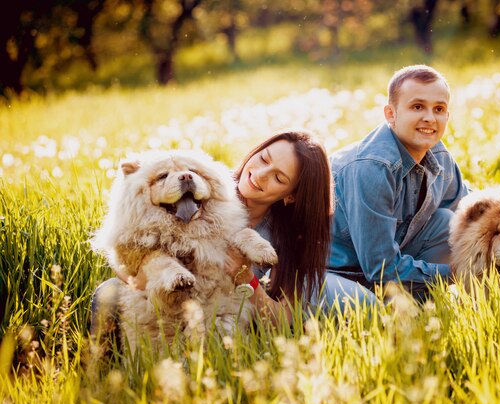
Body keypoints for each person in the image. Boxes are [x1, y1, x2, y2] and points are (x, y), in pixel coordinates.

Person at [90, 131, 347, 340]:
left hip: (231, 317)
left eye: (278, 177)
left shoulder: (292, 237)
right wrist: (143, 274)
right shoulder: (207, 183)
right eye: (263, 159)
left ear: (291, 195)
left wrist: (248, 280)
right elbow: (128, 246)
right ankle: (103, 366)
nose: (259, 174)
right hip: (164, 304)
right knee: (109, 292)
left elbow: (283, 320)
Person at [326, 64, 470, 302]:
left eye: (439, 109)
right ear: (391, 114)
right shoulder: (372, 168)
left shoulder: (438, 155)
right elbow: (380, 268)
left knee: (450, 223)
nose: (429, 118)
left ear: (447, 115)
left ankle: (415, 304)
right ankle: (389, 306)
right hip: (332, 270)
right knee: (365, 307)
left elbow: (471, 209)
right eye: (417, 106)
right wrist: (458, 274)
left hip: (375, 269)